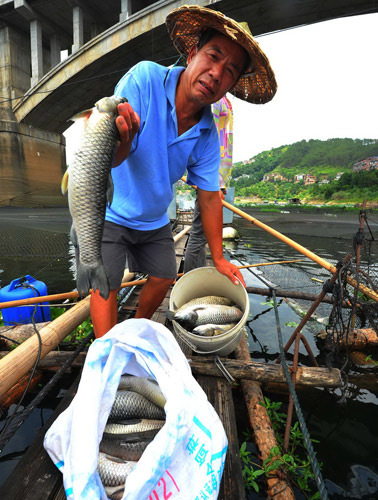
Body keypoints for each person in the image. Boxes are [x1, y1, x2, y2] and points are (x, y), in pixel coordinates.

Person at [90, 4, 277, 338]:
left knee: (163, 276)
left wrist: (218, 258)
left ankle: (138, 328)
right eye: (213, 55)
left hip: (155, 219)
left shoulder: (208, 133)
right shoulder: (144, 79)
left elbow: (208, 197)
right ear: (192, 53)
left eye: (231, 70)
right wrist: (123, 139)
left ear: (231, 84)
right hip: (114, 211)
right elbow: (109, 159)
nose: (217, 73)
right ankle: (108, 352)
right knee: (106, 283)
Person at [184, 95, 233, 273]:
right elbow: (203, 143)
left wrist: (222, 182)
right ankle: (192, 279)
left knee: (200, 236)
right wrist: (216, 183)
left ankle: (199, 274)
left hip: (216, 179)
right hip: (209, 178)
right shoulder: (211, 100)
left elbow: (225, 141)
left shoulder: (224, 100)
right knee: (198, 235)